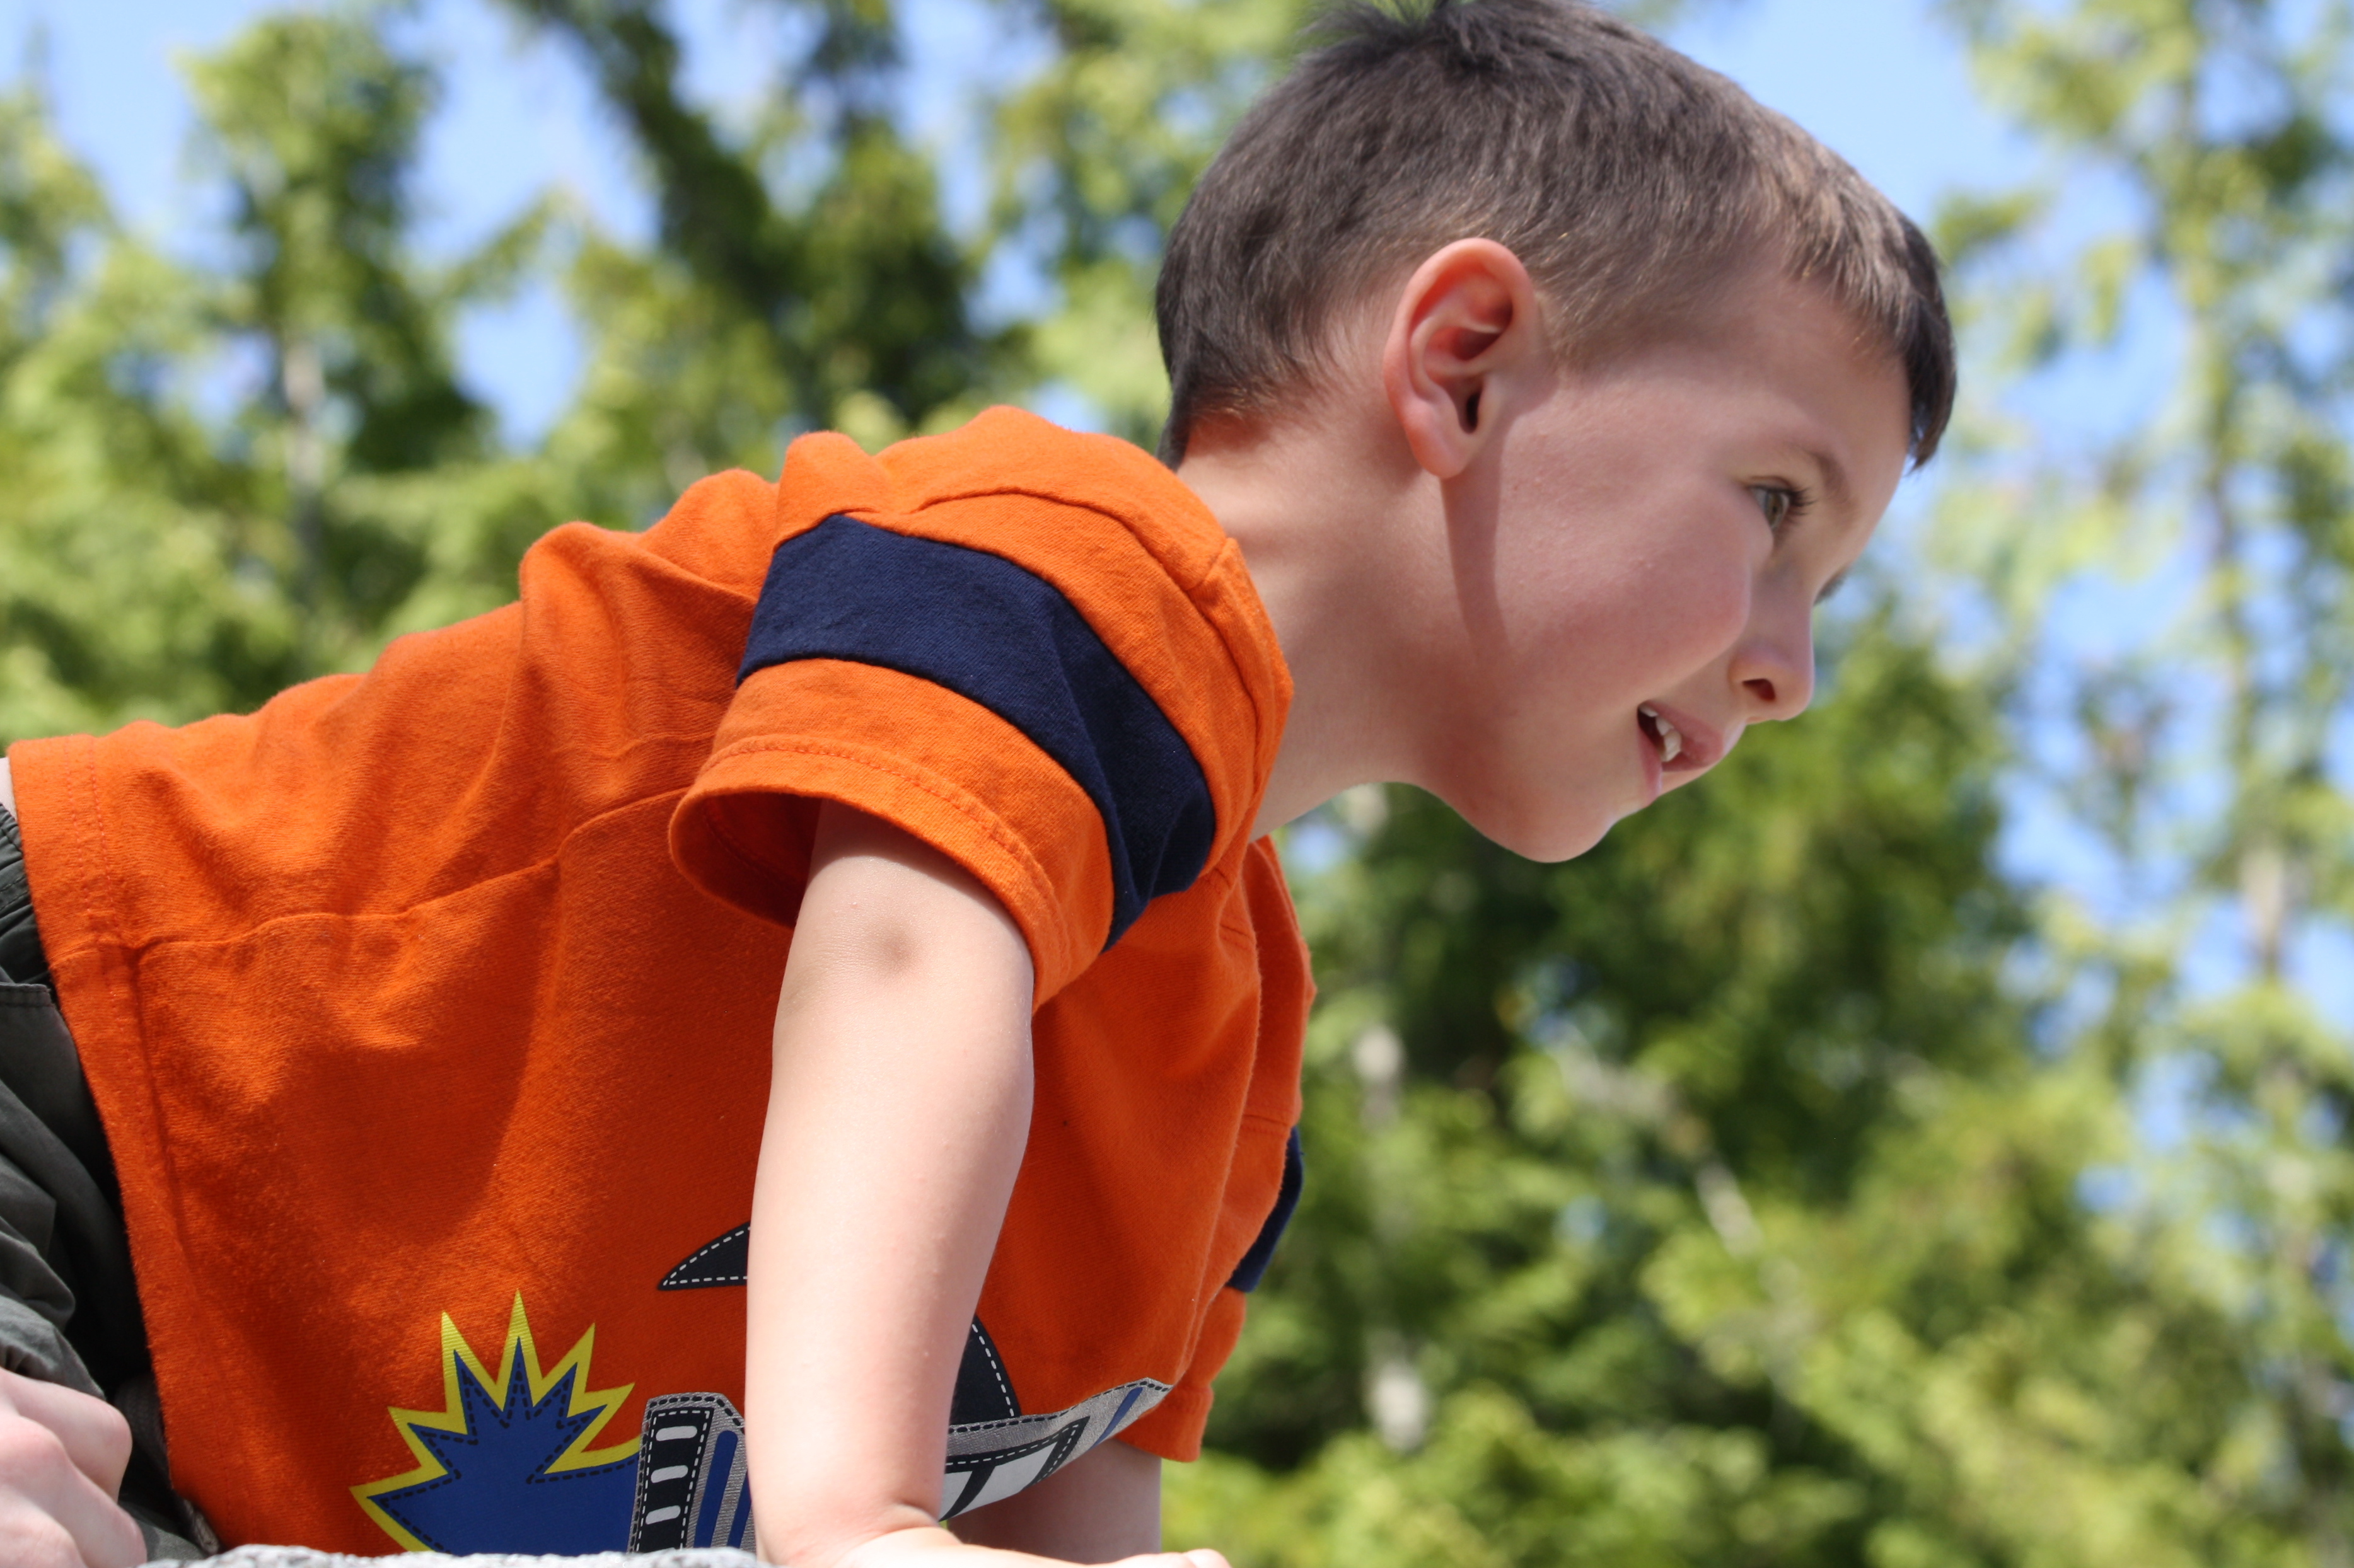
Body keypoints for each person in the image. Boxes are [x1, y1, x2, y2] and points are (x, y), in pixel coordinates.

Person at [0, 0, 1954, 1562]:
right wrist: (858, 1522)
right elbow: (899, 960)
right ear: (1461, 365)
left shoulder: (1231, 1072)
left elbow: (1052, 1514)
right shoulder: (1057, 561)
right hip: (63, 1085)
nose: (1790, 665)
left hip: (207, 1433)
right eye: (1778, 505)